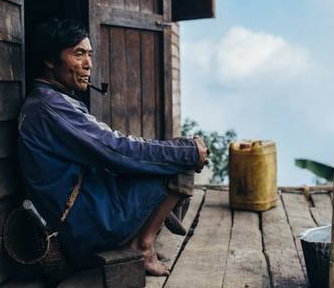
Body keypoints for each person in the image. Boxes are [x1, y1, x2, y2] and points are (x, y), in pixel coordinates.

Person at [18, 18, 209, 276]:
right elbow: (114, 151)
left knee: (173, 153)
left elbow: (113, 145)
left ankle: (141, 238)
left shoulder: (52, 100)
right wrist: (186, 152)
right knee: (180, 163)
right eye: (78, 54)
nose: (89, 64)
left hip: (87, 207)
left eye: (90, 54)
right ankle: (143, 245)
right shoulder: (50, 108)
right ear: (50, 61)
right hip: (83, 224)